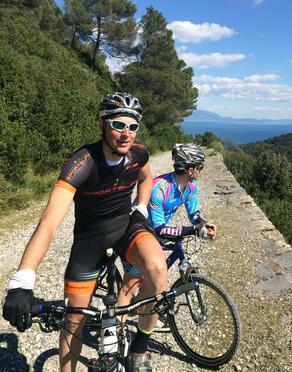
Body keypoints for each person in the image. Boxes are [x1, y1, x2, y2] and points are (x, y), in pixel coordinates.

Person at [2, 93, 167, 372]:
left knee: (157, 269)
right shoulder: (82, 163)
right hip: (90, 240)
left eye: (133, 127)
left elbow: (147, 178)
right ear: (102, 123)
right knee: (74, 323)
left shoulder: (138, 154)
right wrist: (22, 279)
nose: (126, 134)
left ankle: (140, 349)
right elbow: (50, 221)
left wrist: (140, 206)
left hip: (127, 226)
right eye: (118, 125)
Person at [117, 143, 217, 322]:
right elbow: (160, 228)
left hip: (152, 235)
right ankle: (117, 332)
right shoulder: (160, 188)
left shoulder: (191, 187)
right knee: (130, 287)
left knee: (152, 278)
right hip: (133, 232)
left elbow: (194, 214)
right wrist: (191, 230)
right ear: (190, 169)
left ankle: (142, 305)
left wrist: (203, 224)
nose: (201, 171)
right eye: (200, 167)